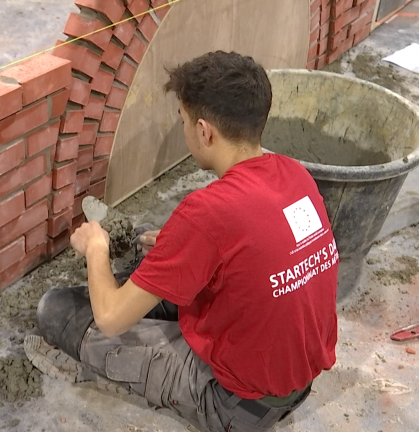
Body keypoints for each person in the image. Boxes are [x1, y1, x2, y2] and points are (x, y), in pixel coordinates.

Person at [25, 51, 339, 432]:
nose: (186, 131)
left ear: (205, 130)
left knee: (57, 310)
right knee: (148, 265)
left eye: (184, 122)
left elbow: (110, 320)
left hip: (236, 405)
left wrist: (96, 248)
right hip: (296, 381)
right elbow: (263, 251)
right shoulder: (295, 175)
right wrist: (185, 249)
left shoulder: (207, 212)